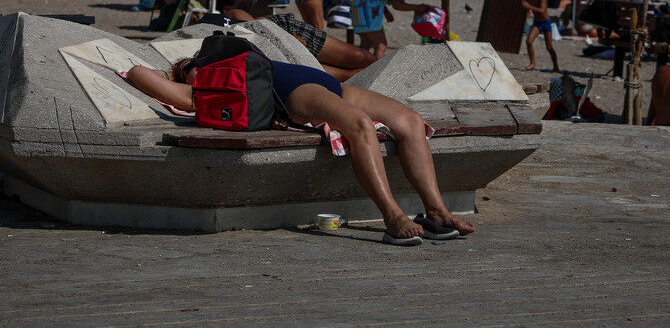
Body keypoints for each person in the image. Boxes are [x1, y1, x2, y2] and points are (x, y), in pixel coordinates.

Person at [126, 56, 476, 245]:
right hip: (297, 95)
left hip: (336, 87)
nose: (198, 66)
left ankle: (436, 212)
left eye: (199, 62)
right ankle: (393, 218)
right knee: (359, 126)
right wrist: (174, 74)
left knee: (411, 121)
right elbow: (140, 72)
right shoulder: (203, 91)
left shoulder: (234, 57)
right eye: (189, 68)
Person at [204, 9, 376, 82]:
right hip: (273, 54)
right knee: (346, 76)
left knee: (362, 57)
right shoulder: (202, 47)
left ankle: (391, 70)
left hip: (281, 31)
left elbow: (255, 23)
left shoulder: (213, 22)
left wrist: (287, 40)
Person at [522, 0, 559, 72]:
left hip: (546, 23)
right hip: (537, 23)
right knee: (529, 41)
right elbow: (529, 8)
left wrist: (529, 7)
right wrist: (528, 10)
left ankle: (556, 66)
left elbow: (542, 10)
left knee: (549, 47)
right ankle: (532, 63)